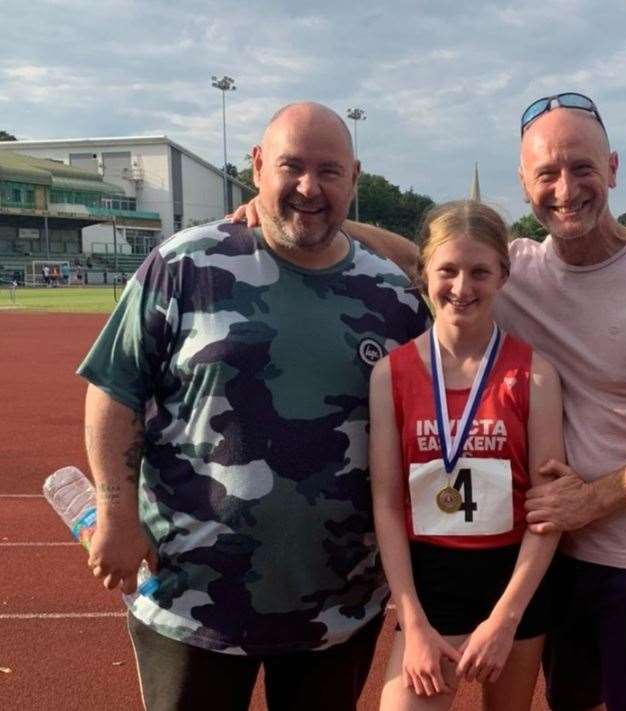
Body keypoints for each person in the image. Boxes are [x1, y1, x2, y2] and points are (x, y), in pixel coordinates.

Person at [232, 91, 626, 711]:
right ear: (525, 185)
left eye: (582, 168)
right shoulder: (519, 268)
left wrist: (593, 498)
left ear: (612, 168)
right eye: (546, 174)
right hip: (549, 552)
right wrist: (294, 209)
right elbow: (431, 255)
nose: (565, 188)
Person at [78, 102, 429, 711]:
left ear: (355, 178)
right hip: (191, 601)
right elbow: (115, 389)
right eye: (291, 166)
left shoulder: (394, 298)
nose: (308, 187)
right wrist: (114, 512)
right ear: (258, 166)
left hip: (337, 608)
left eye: (330, 171)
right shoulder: (186, 264)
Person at [369, 200, 563, 711]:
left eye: (480, 271)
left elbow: (548, 511)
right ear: (424, 274)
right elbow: (387, 503)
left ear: (503, 274)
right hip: (429, 587)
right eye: (447, 270)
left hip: (513, 587)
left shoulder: (536, 375)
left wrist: (505, 620)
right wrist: (412, 620)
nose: (462, 287)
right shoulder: (390, 374)